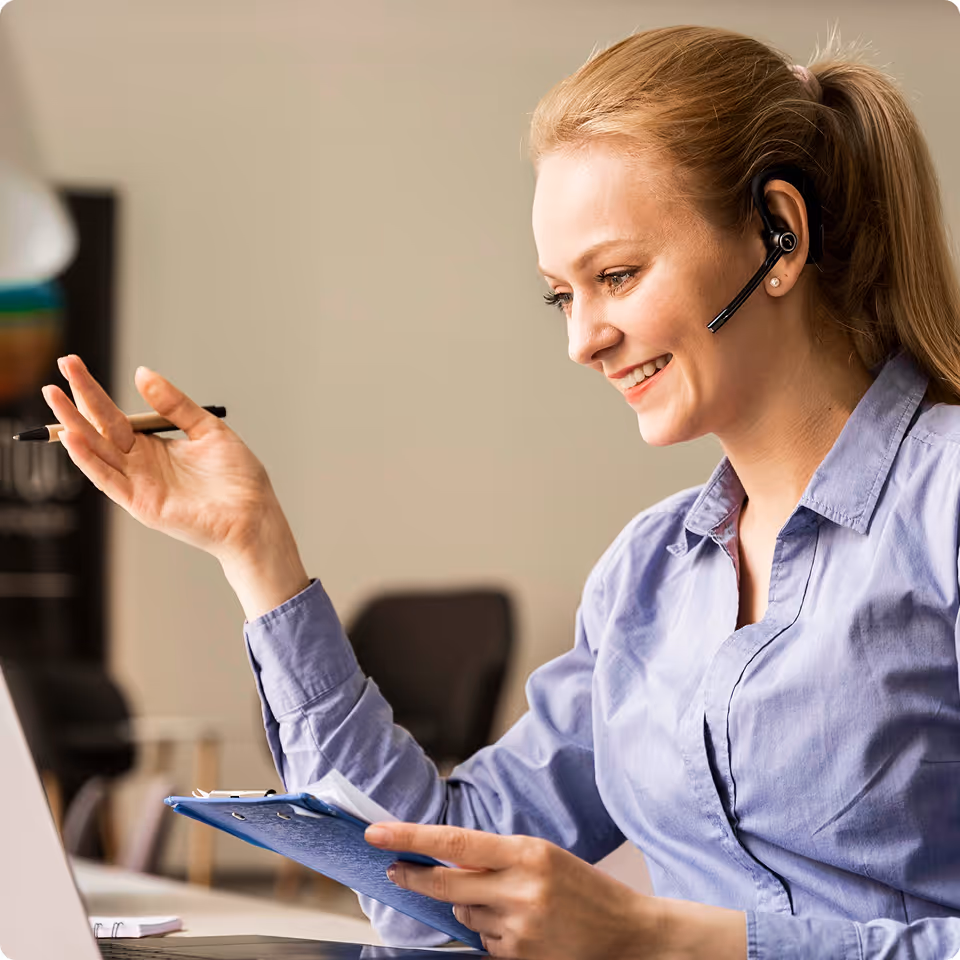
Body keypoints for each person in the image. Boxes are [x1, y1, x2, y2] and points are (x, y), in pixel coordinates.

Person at [41, 23, 960, 960]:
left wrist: (657, 938)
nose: (583, 339)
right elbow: (432, 883)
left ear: (779, 236)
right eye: (563, 296)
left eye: (617, 276)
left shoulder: (945, 503)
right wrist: (254, 546)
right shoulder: (649, 574)